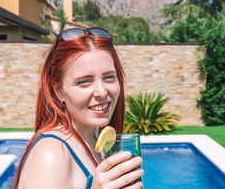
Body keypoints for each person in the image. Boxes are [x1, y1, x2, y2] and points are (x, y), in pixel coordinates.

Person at [14, 27, 144, 189]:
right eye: (84, 81)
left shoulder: (95, 138)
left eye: (109, 77)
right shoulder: (51, 155)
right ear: (59, 91)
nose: (102, 91)